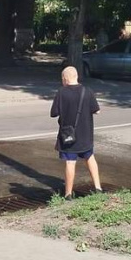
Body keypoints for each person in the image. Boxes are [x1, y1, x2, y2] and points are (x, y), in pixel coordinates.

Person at [50, 66, 103, 201]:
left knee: (70, 162)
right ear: (77, 76)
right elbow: (97, 111)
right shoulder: (87, 91)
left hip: (68, 135)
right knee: (90, 158)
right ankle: (98, 188)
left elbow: (54, 113)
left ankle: (68, 194)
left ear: (65, 79)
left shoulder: (61, 93)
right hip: (85, 134)